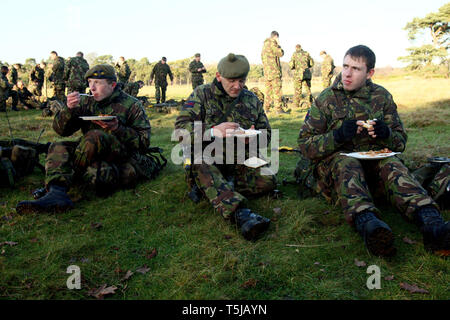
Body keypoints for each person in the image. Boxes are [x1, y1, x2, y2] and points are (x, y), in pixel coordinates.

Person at [297, 45, 449, 256]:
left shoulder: (382, 97)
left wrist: (386, 133)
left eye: (356, 69)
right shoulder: (326, 99)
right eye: (345, 66)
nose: (347, 73)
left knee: (391, 162)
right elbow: (305, 145)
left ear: (369, 73)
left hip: (375, 169)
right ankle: (369, 224)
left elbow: (399, 143)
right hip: (337, 174)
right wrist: (338, 135)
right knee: (345, 161)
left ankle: (433, 224)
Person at [16, 64, 152, 214]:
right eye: (90, 83)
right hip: (89, 152)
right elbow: (61, 130)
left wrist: (117, 128)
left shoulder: (132, 105)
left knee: (96, 142)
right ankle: (56, 192)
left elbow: (144, 143)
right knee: (58, 147)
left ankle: (67, 176)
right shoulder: (86, 101)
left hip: (120, 153)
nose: (92, 88)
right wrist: (69, 109)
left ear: (112, 85)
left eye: (98, 83)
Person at [175, 53, 276, 240]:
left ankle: (213, 188)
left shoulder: (251, 99)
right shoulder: (201, 94)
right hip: (208, 157)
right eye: (231, 80)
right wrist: (212, 131)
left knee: (268, 181)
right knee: (200, 161)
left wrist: (253, 138)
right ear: (219, 76)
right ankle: (242, 215)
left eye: (241, 80)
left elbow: (266, 134)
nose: (237, 86)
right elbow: (180, 131)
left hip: (239, 158)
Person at [261, 31, 287, 114]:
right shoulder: (273, 43)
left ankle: (266, 108)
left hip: (267, 72)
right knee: (277, 90)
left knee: (268, 91)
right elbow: (280, 53)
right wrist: (279, 45)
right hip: (274, 71)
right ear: (276, 36)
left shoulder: (264, 45)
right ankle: (278, 109)